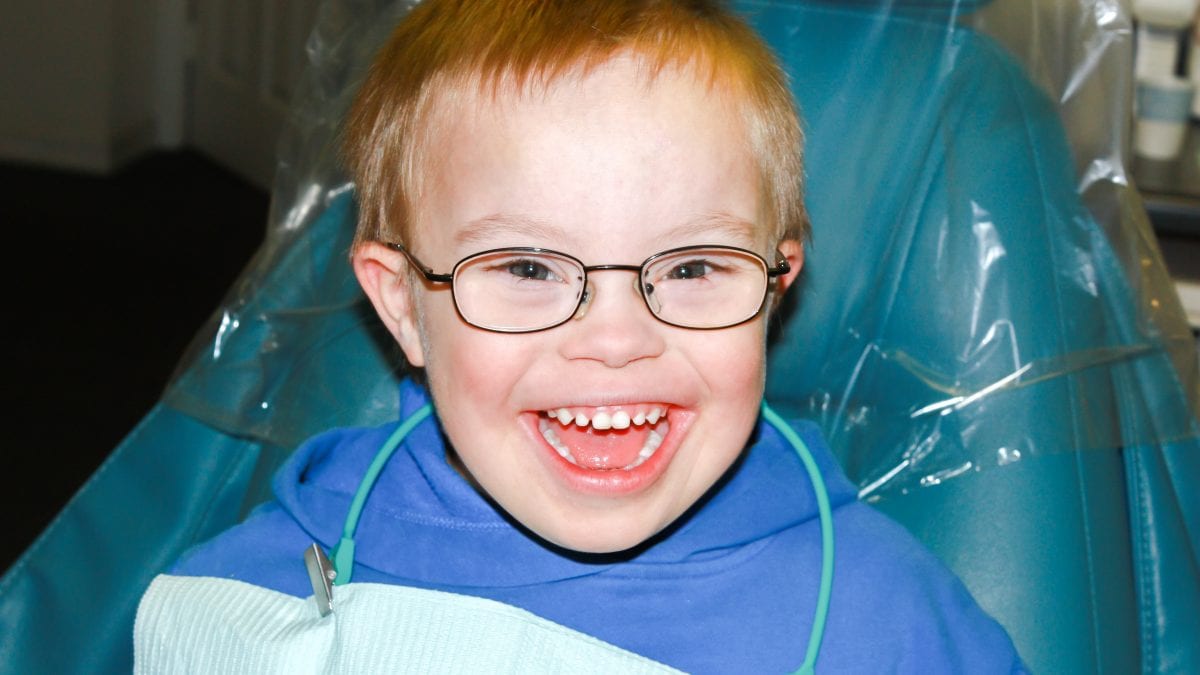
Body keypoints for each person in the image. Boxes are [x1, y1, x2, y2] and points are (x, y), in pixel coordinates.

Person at [135, 0, 1026, 671]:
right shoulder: (246, 599)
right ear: (403, 303)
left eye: (690, 268)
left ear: (774, 288)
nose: (615, 339)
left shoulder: (893, 625)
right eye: (527, 269)